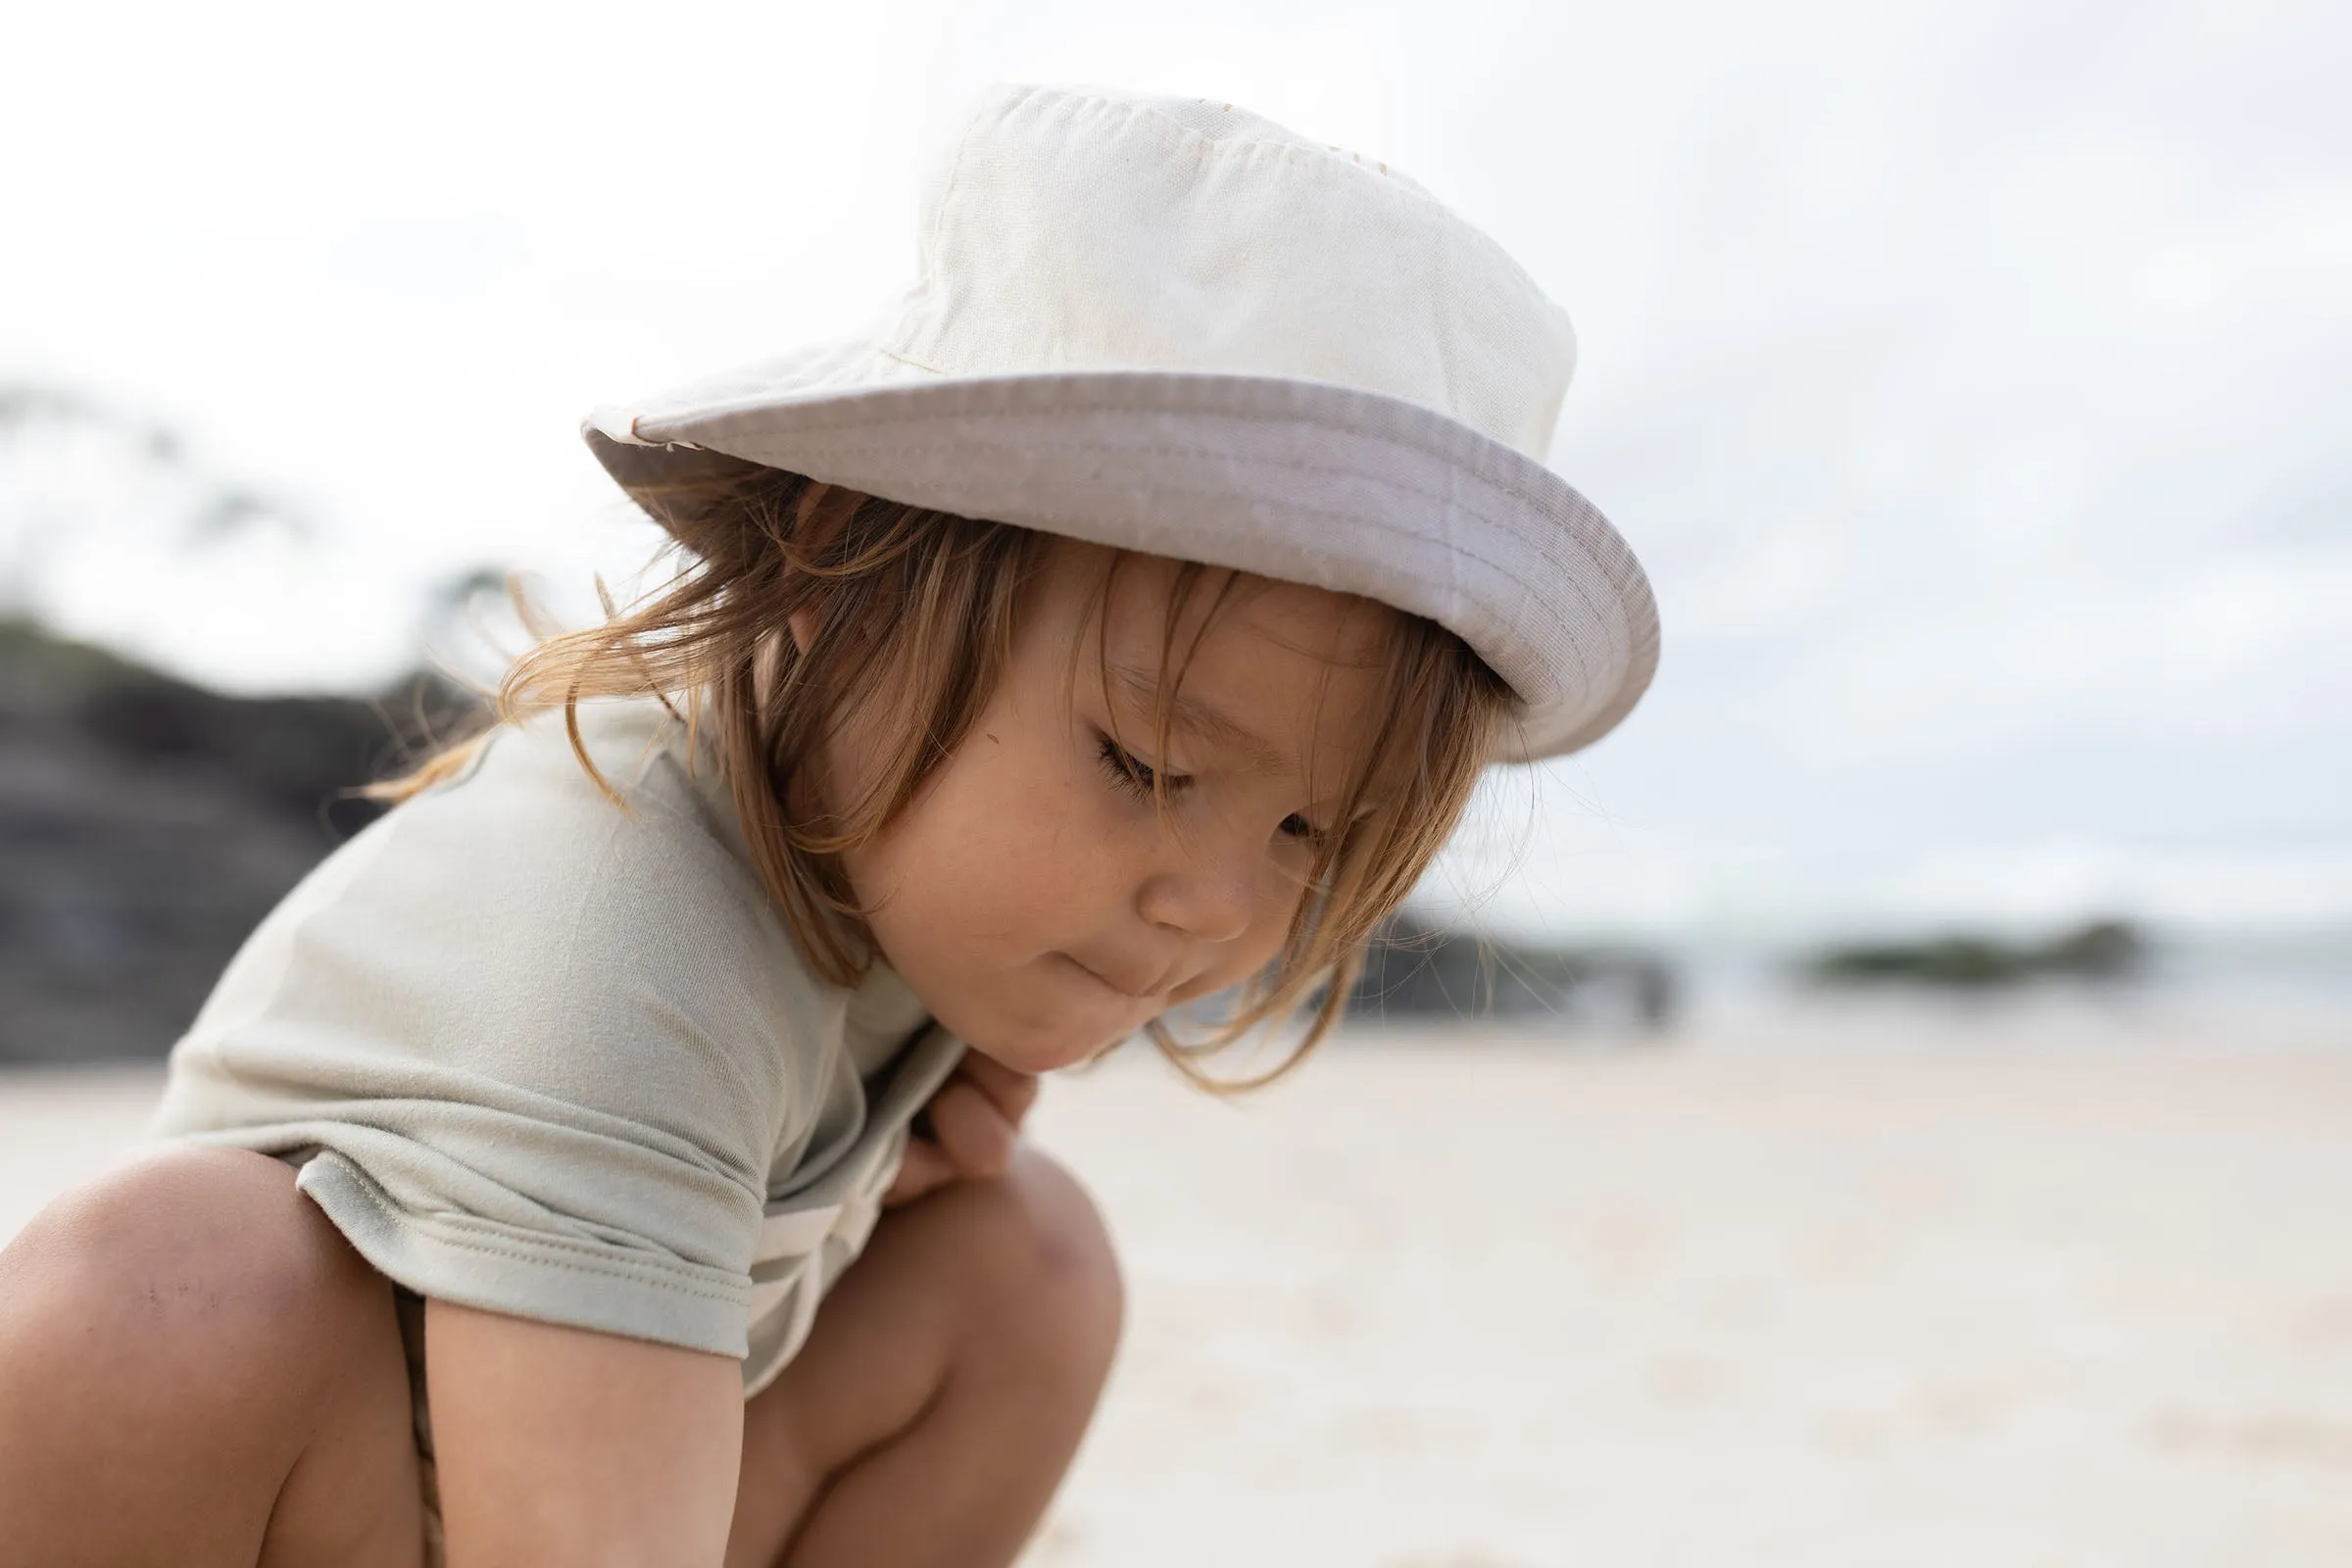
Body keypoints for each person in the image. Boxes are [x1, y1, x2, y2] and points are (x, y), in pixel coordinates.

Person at [0, 82, 1658, 1567]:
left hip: (568, 1464)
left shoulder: (910, 890)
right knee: (172, 1284)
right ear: (844, 574)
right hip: (283, 1501)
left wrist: (853, 1178)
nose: (1218, 906)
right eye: (1149, 766)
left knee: (1021, 1267)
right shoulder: (613, 937)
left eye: (1310, 830)